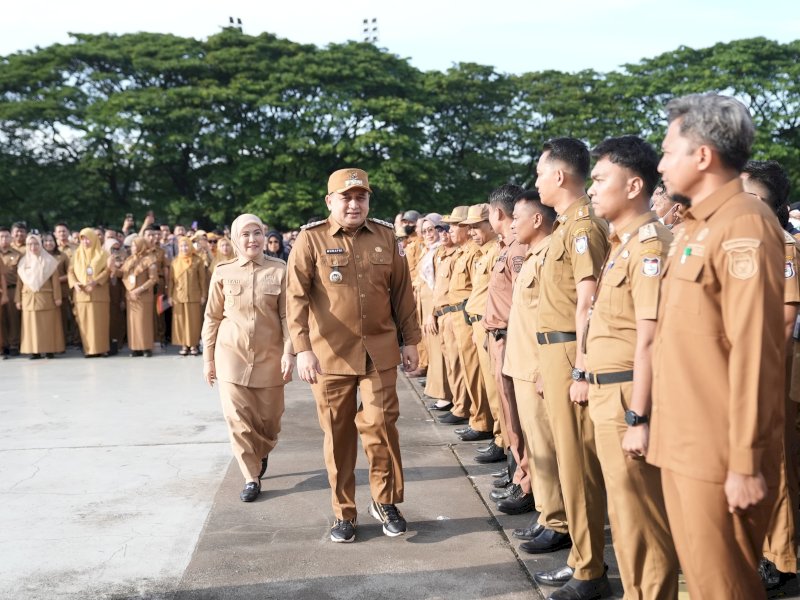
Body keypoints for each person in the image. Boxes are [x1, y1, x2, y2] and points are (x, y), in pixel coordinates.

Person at [648, 93, 785, 600]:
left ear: (702, 155)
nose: (660, 163)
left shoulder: (743, 224)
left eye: (668, 150)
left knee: (725, 589)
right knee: (704, 585)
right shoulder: (696, 228)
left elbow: (754, 352)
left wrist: (746, 461)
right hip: (683, 440)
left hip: (720, 452)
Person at [286, 167, 421, 543]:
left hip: (379, 352)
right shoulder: (310, 240)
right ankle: (344, 512)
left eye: (361, 197)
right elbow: (294, 299)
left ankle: (386, 500)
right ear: (330, 201)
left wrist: (411, 341)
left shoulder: (386, 237)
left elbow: (402, 295)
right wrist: (302, 349)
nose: (354, 204)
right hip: (328, 356)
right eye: (346, 197)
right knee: (338, 435)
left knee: (381, 426)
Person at [583, 136, 678, 598]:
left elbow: (652, 337)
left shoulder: (649, 244)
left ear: (635, 184)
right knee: (624, 519)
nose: (592, 189)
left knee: (640, 520)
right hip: (610, 393)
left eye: (601, 179)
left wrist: (638, 417)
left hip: (627, 396)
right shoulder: (622, 243)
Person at [534, 137, 611, 599]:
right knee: (568, 463)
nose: (538, 181)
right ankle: (581, 557)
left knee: (580, 466)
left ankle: (590, 569)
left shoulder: (584, 226)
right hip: (556, 352)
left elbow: (590, 299)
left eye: (542, 172)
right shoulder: (566, 226)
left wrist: (579, 368)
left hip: (571, 353)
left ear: (560, 176)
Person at [203, 214, 295, 502]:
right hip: (231, 356)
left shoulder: (280, 270)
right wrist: (208, 359)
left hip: (270, 357)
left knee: (270, 420)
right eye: (245, 234)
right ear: (234, 239)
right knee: (237, 420)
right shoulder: (222, 272)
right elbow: (212, 317)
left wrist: (290, 352)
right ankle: (250, 477)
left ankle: (261, 451)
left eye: (257, 233)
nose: (252, 239)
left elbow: (287, 316)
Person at [741, 159, 799, 592]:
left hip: (770, 367)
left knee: (775, 458)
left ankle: (782, 557)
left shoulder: (783, 243)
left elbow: (785, 313)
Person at [504, 191, 570, 552]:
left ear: (537, 220)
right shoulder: (533, 255)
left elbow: (555, 317)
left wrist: (548, 367)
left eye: (518, 216)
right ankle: (546, 514)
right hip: (523, 364)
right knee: (538, 449)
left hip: (537, 367)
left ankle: (558, 521)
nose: (512, 223)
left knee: (547, 448)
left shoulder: (551, 257)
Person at [463, 204, 505, 465]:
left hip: (488, 324)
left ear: (491, 224)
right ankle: (499, 437)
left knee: (496, 388)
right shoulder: (482, 253)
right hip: (477, 322)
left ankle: (502, 440)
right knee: (488, 387)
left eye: (477, 227)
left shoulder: (496, 252)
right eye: (470, 228)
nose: (472, 233)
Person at [430, 207, 471, 427]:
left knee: (460, 364)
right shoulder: (443, 254)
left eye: (452, 227)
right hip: (444, 314)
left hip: (457, 314)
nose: (447, 232)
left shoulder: (462, 253)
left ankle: (463, 407)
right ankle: (459, 404)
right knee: (452, 364)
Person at [417, 215, 452, 409]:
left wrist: (432, 312)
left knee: (440, 350)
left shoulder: (440, 251)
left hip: (435, 306)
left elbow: (438, 285)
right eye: (424, 231)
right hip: (425, 304)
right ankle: (439, 390)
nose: (429, 234)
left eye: (432, 230)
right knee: (432, 349)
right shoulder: (429, 251)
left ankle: (445, 394)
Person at [15, 234, 65, 359]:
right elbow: (19, 284)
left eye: (36, 243)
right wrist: (17, 299)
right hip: (28, 299)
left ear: (40, 244)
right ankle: (34, 351)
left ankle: (49, 350)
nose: (33, 247)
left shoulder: (49, 261)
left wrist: (57, 297)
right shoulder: (22, 262)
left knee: (48, 325)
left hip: (46, 298)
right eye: (30, 244)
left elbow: (55, 282)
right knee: (31, 327)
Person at [68, 228, 111, 357]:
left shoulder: (103, 254)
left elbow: (107, 271)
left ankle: (102, 349)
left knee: (100, 323)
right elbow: (70, 271)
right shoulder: (76, 255)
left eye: (88, 238)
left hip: (98, 293)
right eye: (82, 239)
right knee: (84, 323)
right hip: (81, 294)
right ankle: (89, 350)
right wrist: (74, 283)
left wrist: (96, 281)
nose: (85, 241)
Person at [169, 236, 207, 356]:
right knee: (181, 322)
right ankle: (184, 345)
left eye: (186, 245)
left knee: (194, 322)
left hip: (194, 296)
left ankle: (194, 345)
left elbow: (202, 280)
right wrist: (170, 296)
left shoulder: (197, 260)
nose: (184, 248)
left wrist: (203, 295)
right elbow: (170, 281)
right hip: (178, 296)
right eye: (181, 246)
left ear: (190, 246)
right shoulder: (175, 262)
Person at [121, 236, 158, 357]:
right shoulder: (130, 260)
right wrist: (111, 268)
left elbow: (153, 279)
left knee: (144, 322)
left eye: (134, 245)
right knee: (132, 322)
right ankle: (135, 348)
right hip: (131, 295)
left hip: (144, 296)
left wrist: (140, 289)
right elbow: (122, 273)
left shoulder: (150, 259)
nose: (132, 248)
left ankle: (146, 347)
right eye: (132, 246)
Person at [0, 227, 23, 356]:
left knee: (13, 318)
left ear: (11, 238)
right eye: (1, 236)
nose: (4, 239)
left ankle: (14, 344)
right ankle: (3, 345)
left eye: (6, 236)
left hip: (12, 289)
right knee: (1, 320)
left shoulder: (18, 254)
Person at [104, 237, 127, 352]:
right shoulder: (101, 260)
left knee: (118, 319)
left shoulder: (124, 261)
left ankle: (118, 342)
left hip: (119, 293)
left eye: (117, 249)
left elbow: (124, 278)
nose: (115, 251)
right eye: (112, 249)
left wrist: (115, 268)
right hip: (105, 294)